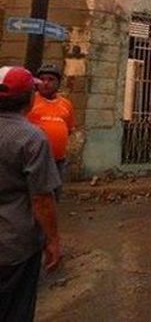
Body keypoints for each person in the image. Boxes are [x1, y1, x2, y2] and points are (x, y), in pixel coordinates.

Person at [0, 66, 62, 321]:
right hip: (14, 244)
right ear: (29, 98)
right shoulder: (31, 138)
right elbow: (42, 199)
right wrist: (53, 240)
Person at [27, 64, 75, 190]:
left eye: (50, 79)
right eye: (42, 79)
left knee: (55, 194)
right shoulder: (30, 101)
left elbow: (69, 129)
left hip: (58, 160)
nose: (46, 83)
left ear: (58, 83)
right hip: (35, 161)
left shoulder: (66, 104)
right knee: (37, 195)